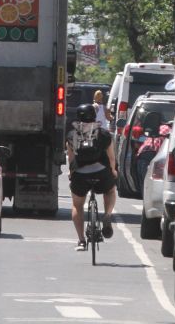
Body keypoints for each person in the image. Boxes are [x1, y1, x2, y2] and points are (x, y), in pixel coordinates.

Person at [67, 103, 117, 251]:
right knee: (110, 190)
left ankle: (82, 241)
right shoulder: (104, 134)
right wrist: (113, 171)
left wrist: (71, 172)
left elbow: (70, 159)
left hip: (80, 175)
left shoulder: (71, 135)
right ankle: (107, 214)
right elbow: (111, 158)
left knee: (77, 205)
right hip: (101, 172)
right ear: (94, 116)